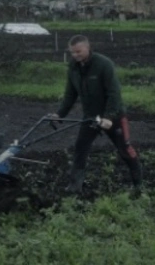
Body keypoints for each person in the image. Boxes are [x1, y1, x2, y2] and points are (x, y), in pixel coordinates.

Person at [46, 34, 143, 194]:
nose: (75, 55)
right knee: (80, 148)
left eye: (78, 51)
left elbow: (114, 93)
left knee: (125, 149)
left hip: (114, 116)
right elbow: (70, 94)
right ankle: (75, 187)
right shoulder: (73, 68)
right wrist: (59, 114)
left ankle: (138, 186)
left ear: (87, 48)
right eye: (72, 52)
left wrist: (109, 117)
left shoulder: (103, 64)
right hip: (91, 117)